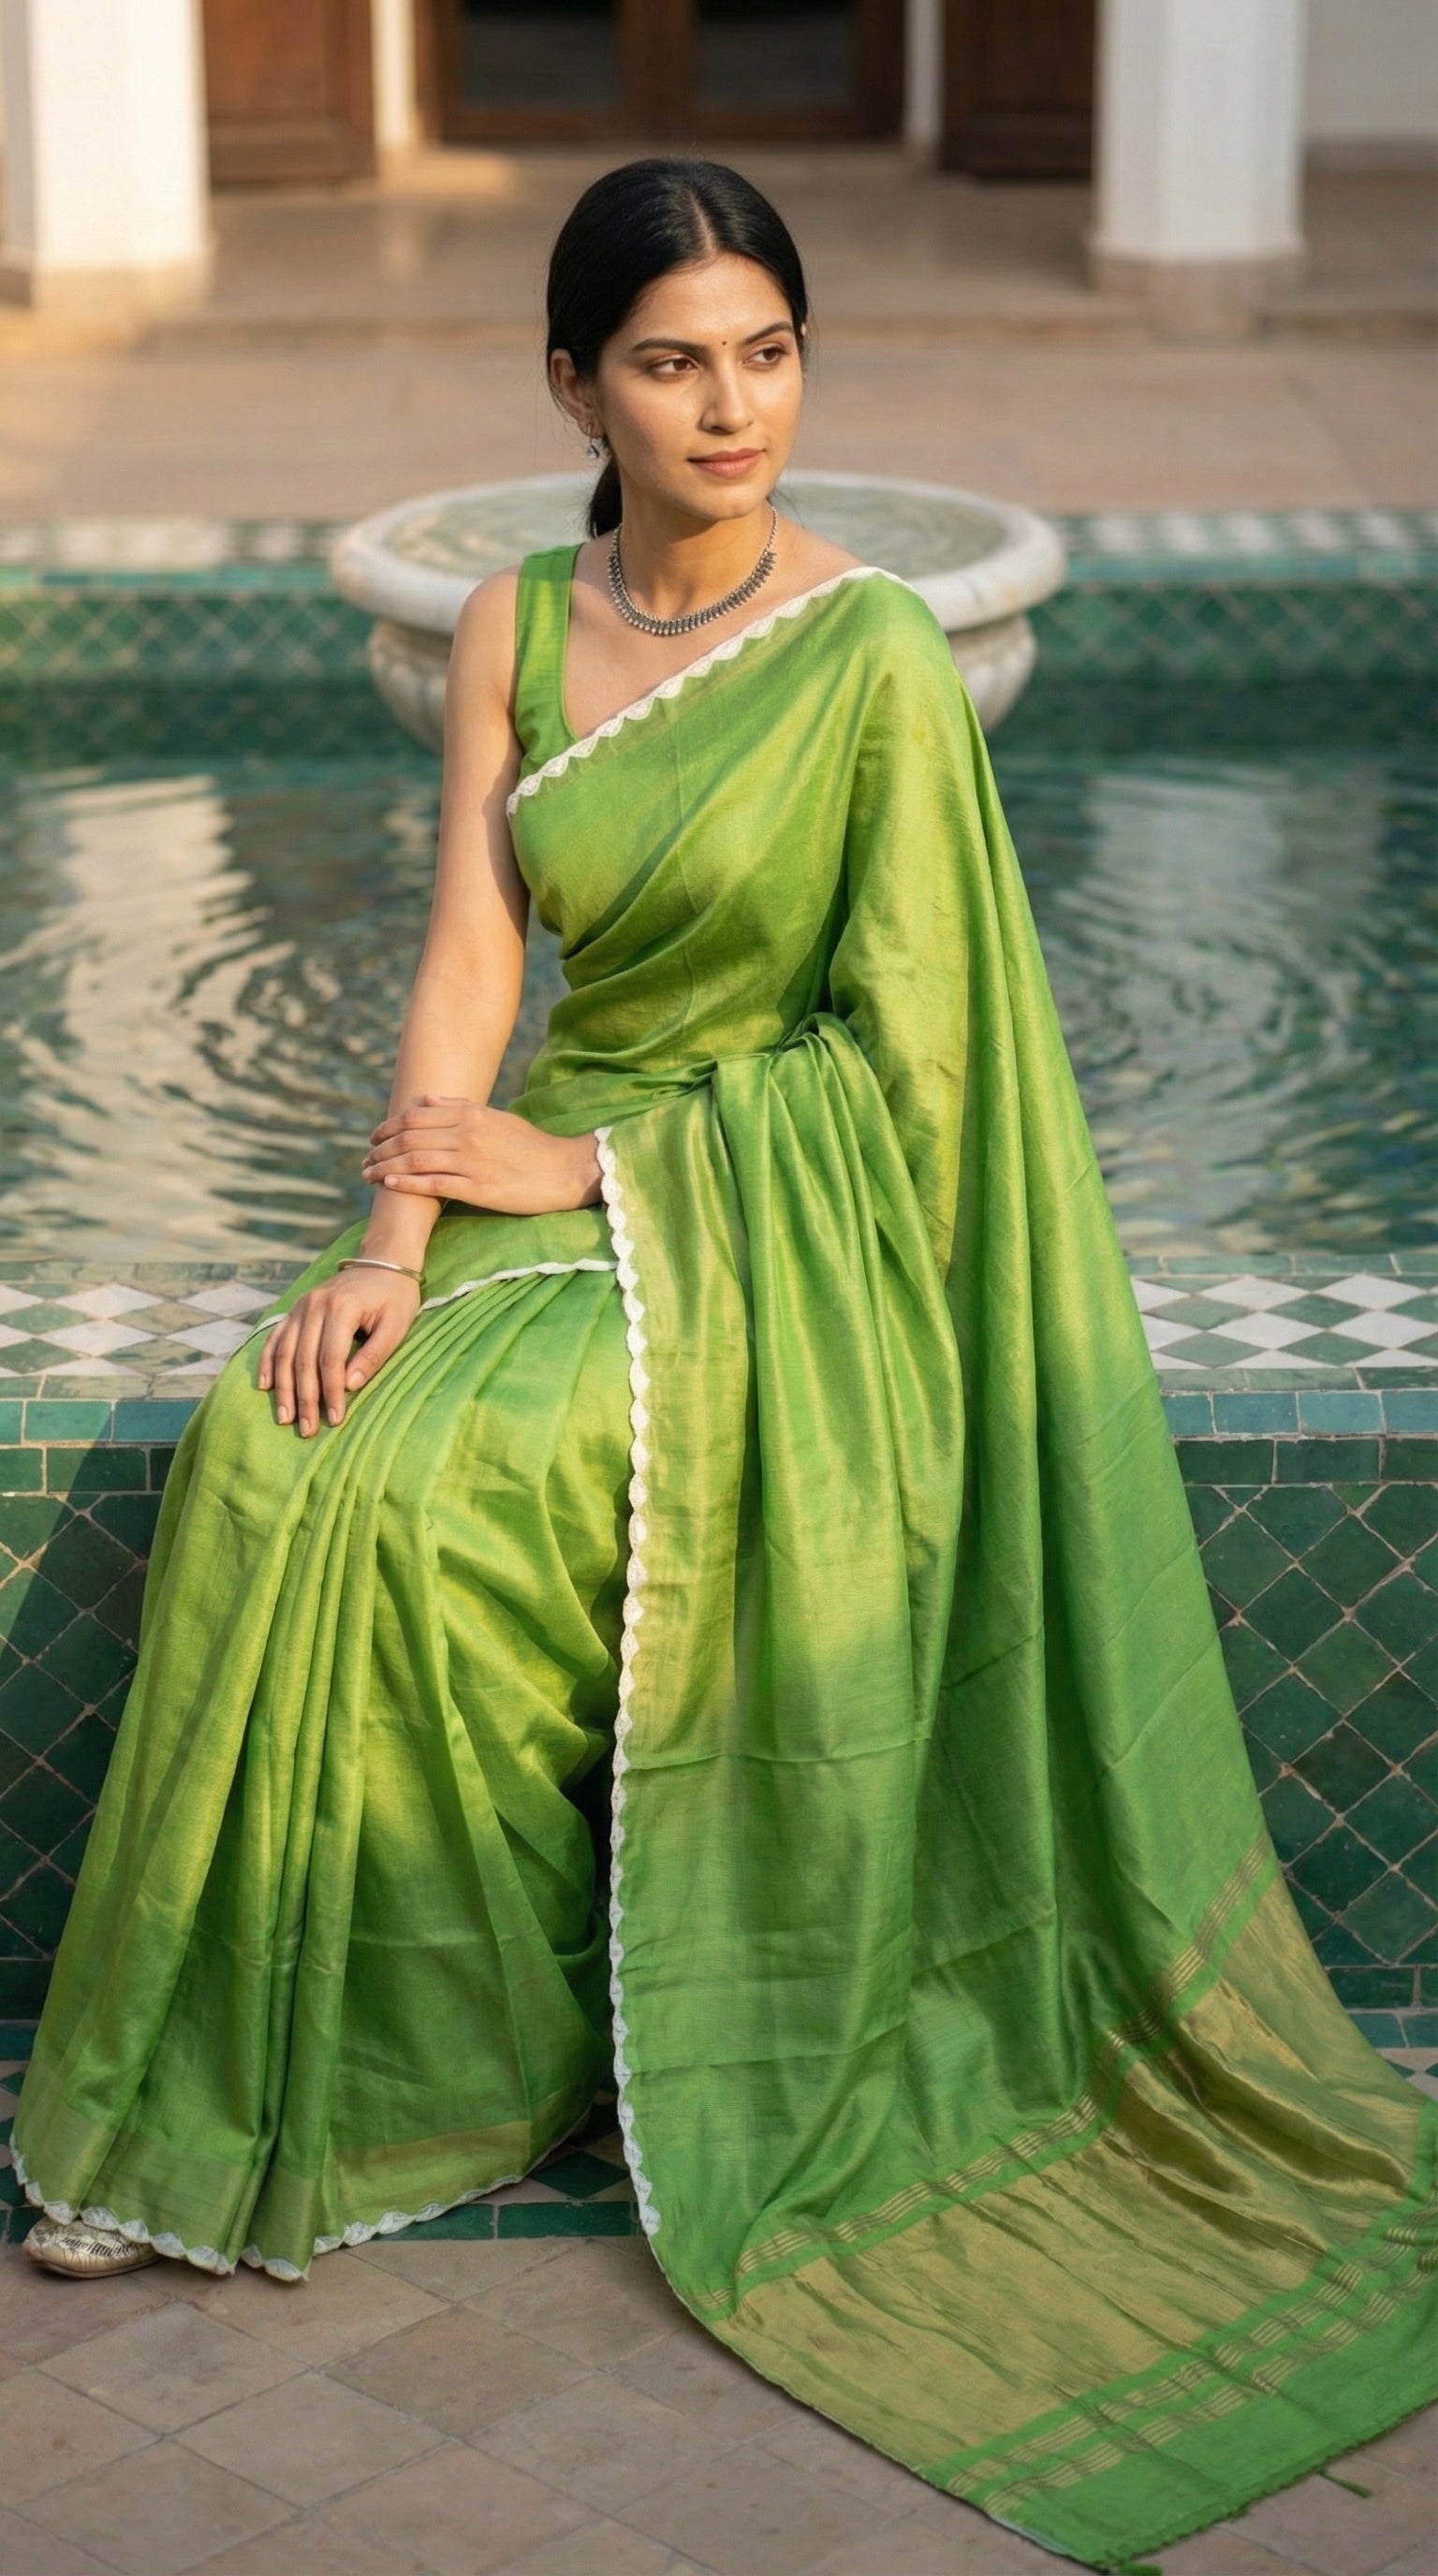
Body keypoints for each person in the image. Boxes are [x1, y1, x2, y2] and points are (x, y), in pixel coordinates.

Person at [14, 159, 1434, 2566]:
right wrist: (395, 1228)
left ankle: (492, 2049)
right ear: (572, 384)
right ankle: (331, 2081)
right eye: (674, 358)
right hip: (546, 1160)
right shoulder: (507, 626)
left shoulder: (871, 654)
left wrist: (606, 1188)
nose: (731, 404)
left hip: (782, 1223)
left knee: (458, 1490)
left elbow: (919, 1070)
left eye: (767, 351)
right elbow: (473, 954)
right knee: (296, 1449)